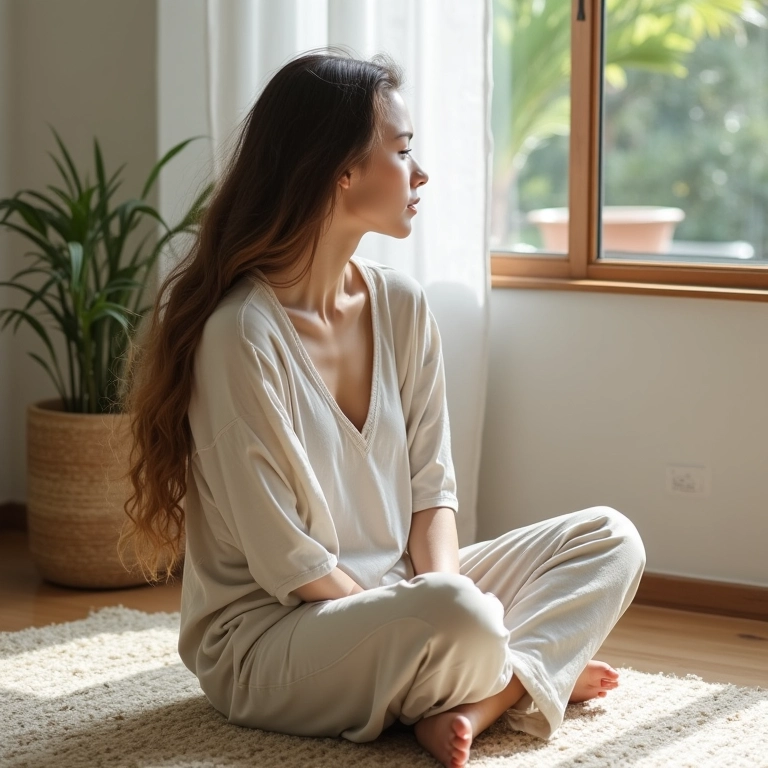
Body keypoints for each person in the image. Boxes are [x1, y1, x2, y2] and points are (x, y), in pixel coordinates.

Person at [118, 47, 646, 768]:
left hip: (405, 597)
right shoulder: (239, 336)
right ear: (340, 170)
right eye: (402, 151)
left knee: (610, 538)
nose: (420, 173)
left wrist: (435, 603)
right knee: (462, 617)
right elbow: (294, 568)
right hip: (273, 638)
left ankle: (487, 693)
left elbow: (433, 495)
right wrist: (445, 617)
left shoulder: (400, 305)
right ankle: (519, 674)